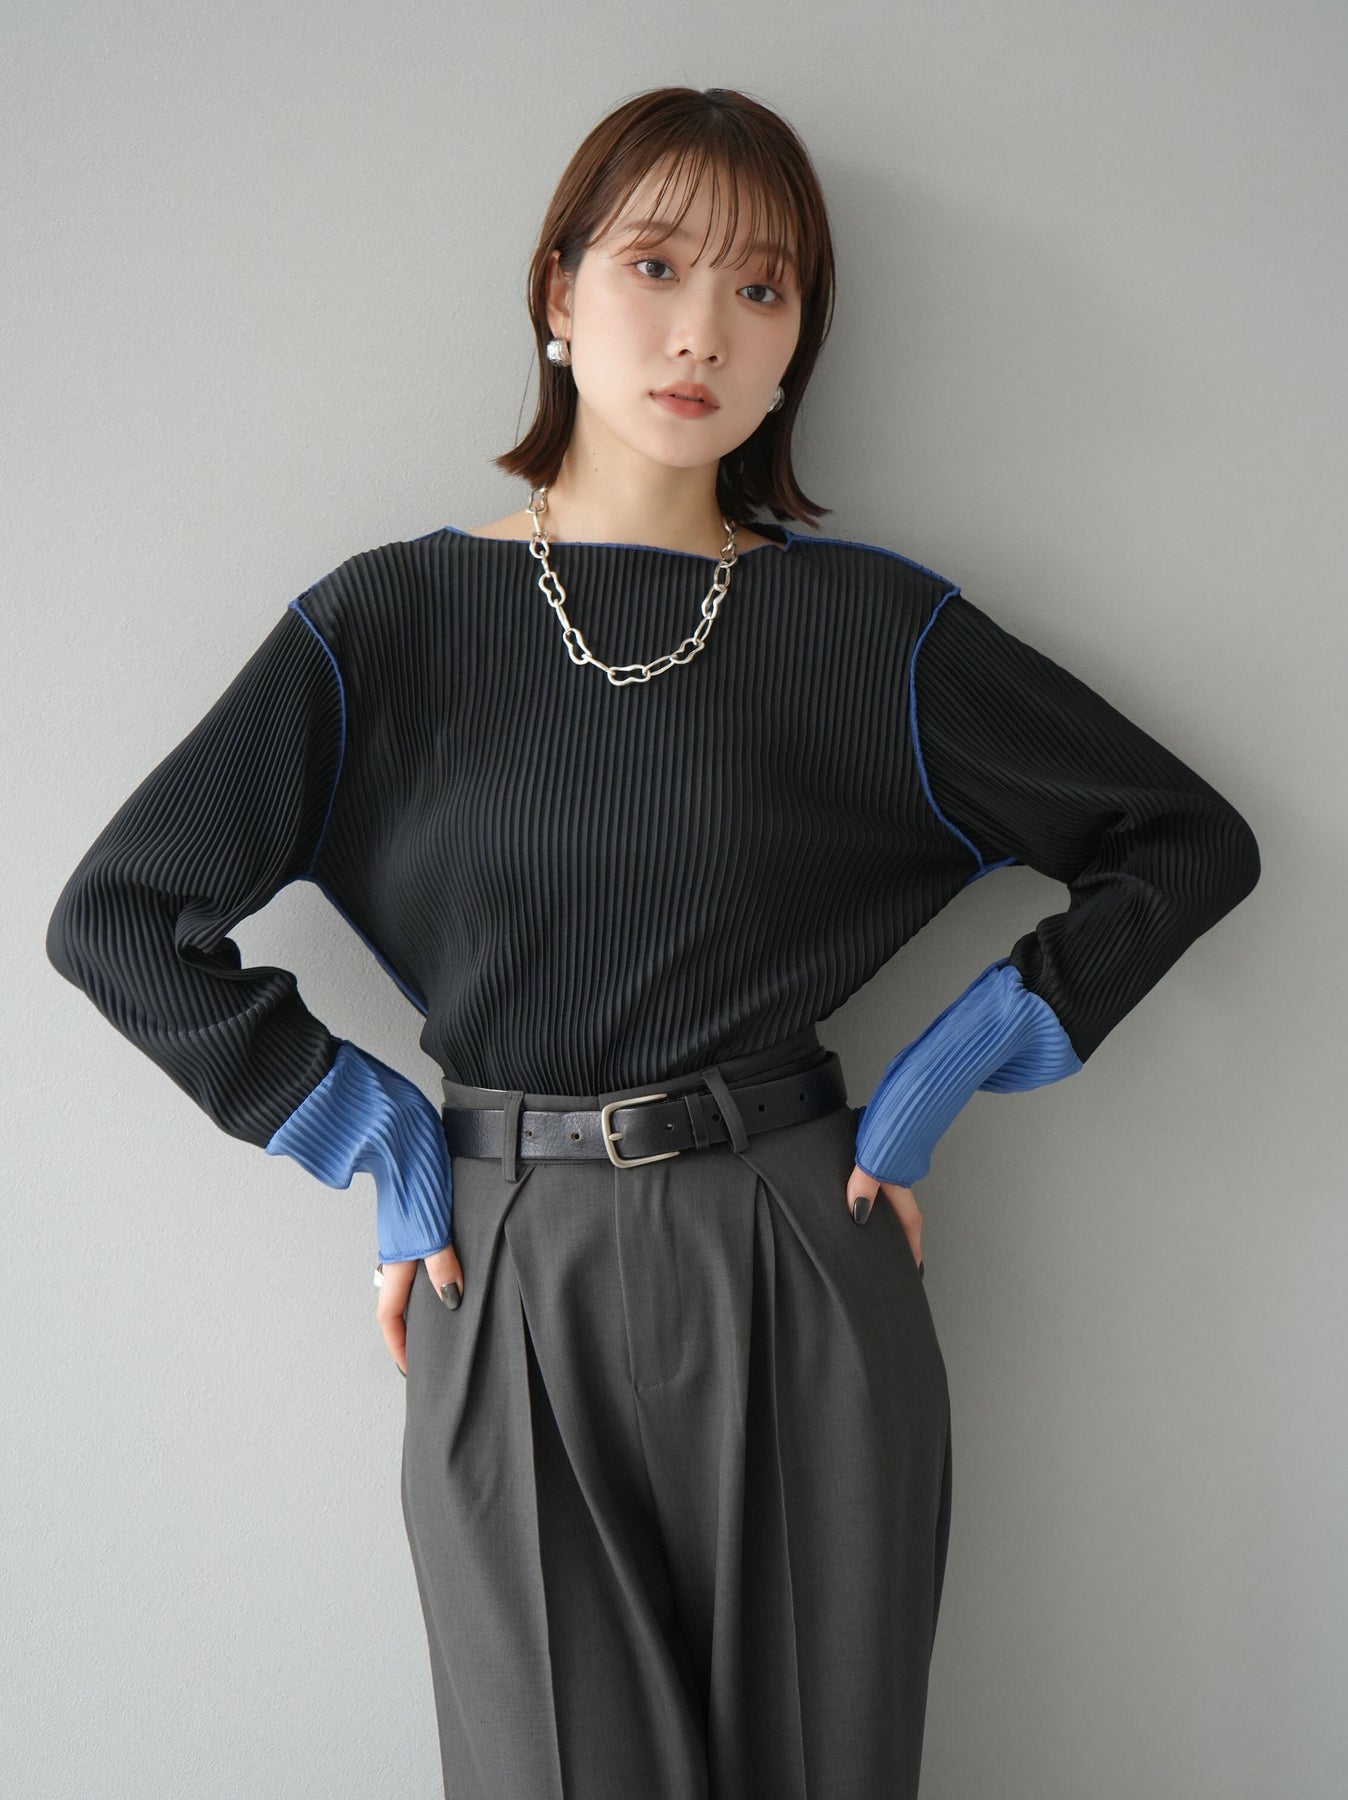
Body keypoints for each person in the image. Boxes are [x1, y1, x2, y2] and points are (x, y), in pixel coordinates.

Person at [45, 84, 1260, 1800]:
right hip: (502, 1258)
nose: (703, 330)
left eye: (763, 290)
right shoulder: (385, 624)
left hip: (798, 1236)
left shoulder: (871, 630)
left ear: (796, 347)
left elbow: (1182, 842)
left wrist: (955, 1065)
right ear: (558, 291)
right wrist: (370, 1133)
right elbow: (119, 920)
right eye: (656, 265)